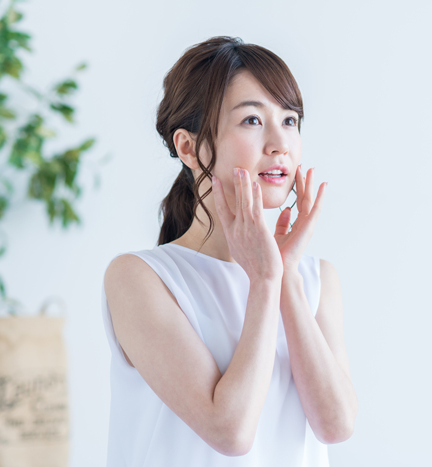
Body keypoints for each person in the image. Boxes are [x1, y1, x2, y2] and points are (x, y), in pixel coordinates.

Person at [100, 36, 358, 466]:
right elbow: (231, 431)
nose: (280, 143)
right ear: (188, 147)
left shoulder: (317, 279)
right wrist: (266, 281)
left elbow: (336, 425)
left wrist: (285, 277)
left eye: (290, 120)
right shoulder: (139, 278)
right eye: (252, 120)